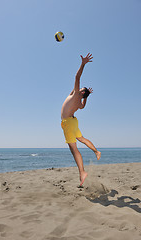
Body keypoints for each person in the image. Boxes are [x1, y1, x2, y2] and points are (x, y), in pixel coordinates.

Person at [61, 53, 101, 186]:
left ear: (81, 92)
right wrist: (86, 97)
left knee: (74, 149)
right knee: (82, 138)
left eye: (81, 89)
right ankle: (96, 151)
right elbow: (83, 107)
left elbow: (77, 76)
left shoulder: (76, 95)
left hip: (68, 122)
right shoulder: (79, 101)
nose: (78, 88)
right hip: (73, 121)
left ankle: (82, 172)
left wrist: (83, 64)